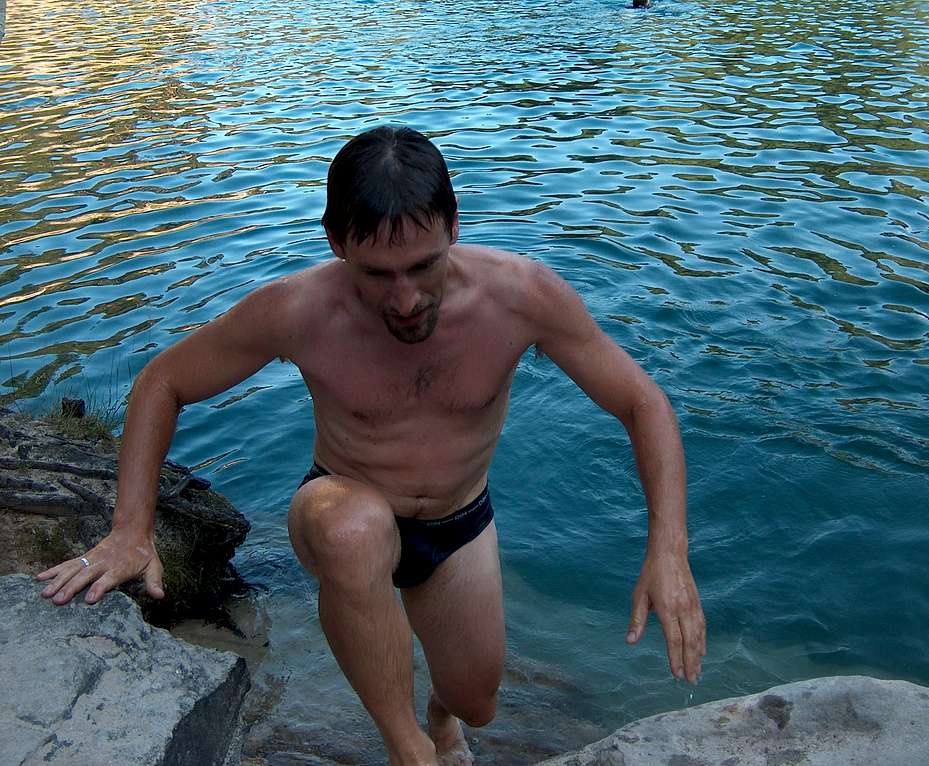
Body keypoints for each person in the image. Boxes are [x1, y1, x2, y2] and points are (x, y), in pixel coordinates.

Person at [37, 126, 705, 766]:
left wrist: (669, 549)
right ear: (335, 243)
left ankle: (441, 721)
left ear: (454, 227)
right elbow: (164, 380)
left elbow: (641, 402)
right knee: (356, 531)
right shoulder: (297, 311)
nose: (406, 298)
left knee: (478, 702)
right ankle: (406, 747)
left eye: (423, 266)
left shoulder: (523, 297)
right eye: (378, 275)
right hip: (339, 505)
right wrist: (132, 530)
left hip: (458, 522)